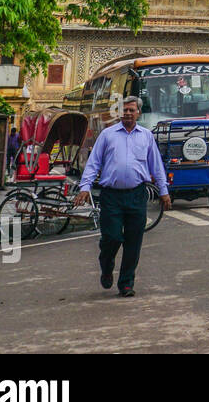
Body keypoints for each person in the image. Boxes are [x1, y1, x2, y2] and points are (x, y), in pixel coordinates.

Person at [73, 97, 170, 297]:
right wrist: (85, 187)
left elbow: (156, 166)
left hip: (137, 194)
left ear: (138, 113)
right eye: (124, 110)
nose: (127, 113)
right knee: (112, 237)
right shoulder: (107, 135)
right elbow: (94, 163)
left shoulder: (146, 136)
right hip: (111, 196)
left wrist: (164, 191)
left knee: (133, 242)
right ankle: (107, 267)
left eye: (131, 110)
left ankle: (126, 283)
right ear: (120, 112)